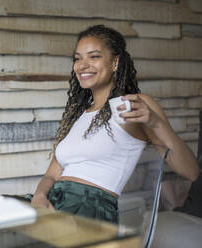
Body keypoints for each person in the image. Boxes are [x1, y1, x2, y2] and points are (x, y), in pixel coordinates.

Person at [30, 25, 199, 224]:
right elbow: (51, 175)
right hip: (54, 202)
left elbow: (191, 172)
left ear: (115, 62)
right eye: (78, 58)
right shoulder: (79, 116)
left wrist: (155, 122)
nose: (82, 65)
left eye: (94, 56)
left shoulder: (135, 104)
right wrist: (39, 196)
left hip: (89, 209)